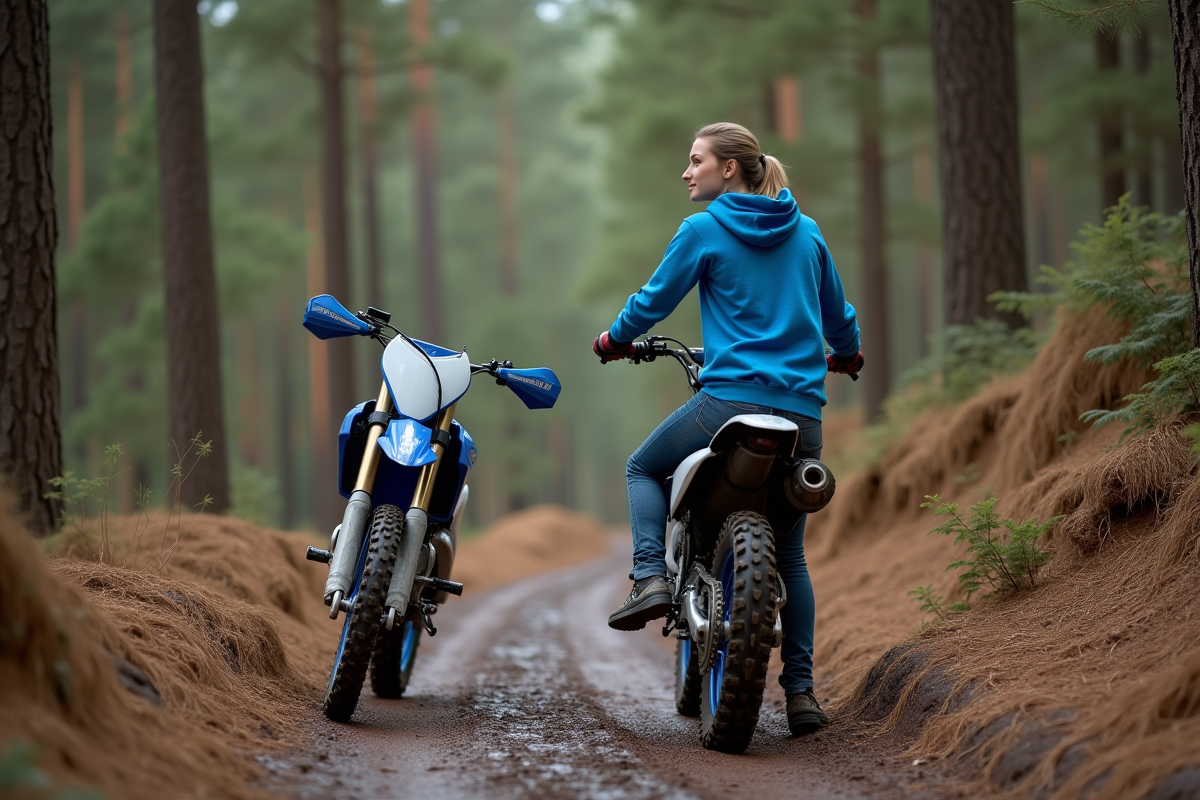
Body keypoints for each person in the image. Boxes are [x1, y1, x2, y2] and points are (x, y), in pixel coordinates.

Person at [592, 121, 863, 737]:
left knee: (642, 466)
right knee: (790, 555)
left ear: (731, 169)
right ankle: (801, 696)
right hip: (802, 416)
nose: (687, 173)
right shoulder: (808, 231)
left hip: (727, 405)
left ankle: (650, 577)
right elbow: (838, 318)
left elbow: (653, 300)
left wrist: (614, 338)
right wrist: (846, 355)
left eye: (696, 161)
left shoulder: (705, 228)